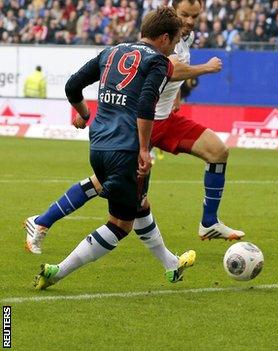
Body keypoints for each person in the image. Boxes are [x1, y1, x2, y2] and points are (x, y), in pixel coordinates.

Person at [24, 0, 243, 260]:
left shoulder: (185, 36)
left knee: (218, 151)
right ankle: (42, 220)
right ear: (171, 14)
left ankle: (209, 223)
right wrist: (205, 68)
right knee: (107, 187)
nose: (190, 21)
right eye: (184, 15)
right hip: (142, 122)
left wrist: (175, 97)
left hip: (165, 120)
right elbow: (169, 70)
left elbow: (169, 76)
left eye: (195, 16)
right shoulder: (161, 39)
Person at [34, 7, 186, 290]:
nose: (174, 47)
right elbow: (145, 104)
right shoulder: (159, 62)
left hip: (98, 146)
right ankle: (57, 272)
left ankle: (170, 264)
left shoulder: (111, 51)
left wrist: (84, 113)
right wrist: (144, 149)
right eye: (175, 41)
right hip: (127, 149)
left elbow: (72, 86)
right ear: (164, 38)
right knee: (120, 224)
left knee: (139, 203)